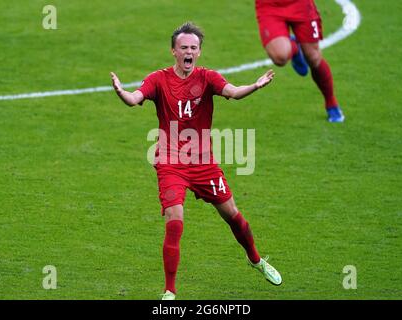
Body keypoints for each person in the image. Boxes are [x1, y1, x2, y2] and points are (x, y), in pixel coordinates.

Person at [110, 22, 282, 300]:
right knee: (175, 220)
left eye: (193, 48)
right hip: (170, 162)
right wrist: (121, 92)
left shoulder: (207, 78)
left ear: (199, 52)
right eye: (183, 48)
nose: (188, 52)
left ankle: (256, 260)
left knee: (234, 217)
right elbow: (134, 99)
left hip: (204, 164)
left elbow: (233, 92)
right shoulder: (158, 79)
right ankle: (169, 291)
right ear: (173, 51)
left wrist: (255, 86)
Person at [255, 0, 345, 122]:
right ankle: (295, 48)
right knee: (279, 57)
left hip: (300, 4)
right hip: (270, 5)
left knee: (313, 58)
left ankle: (331, 103)